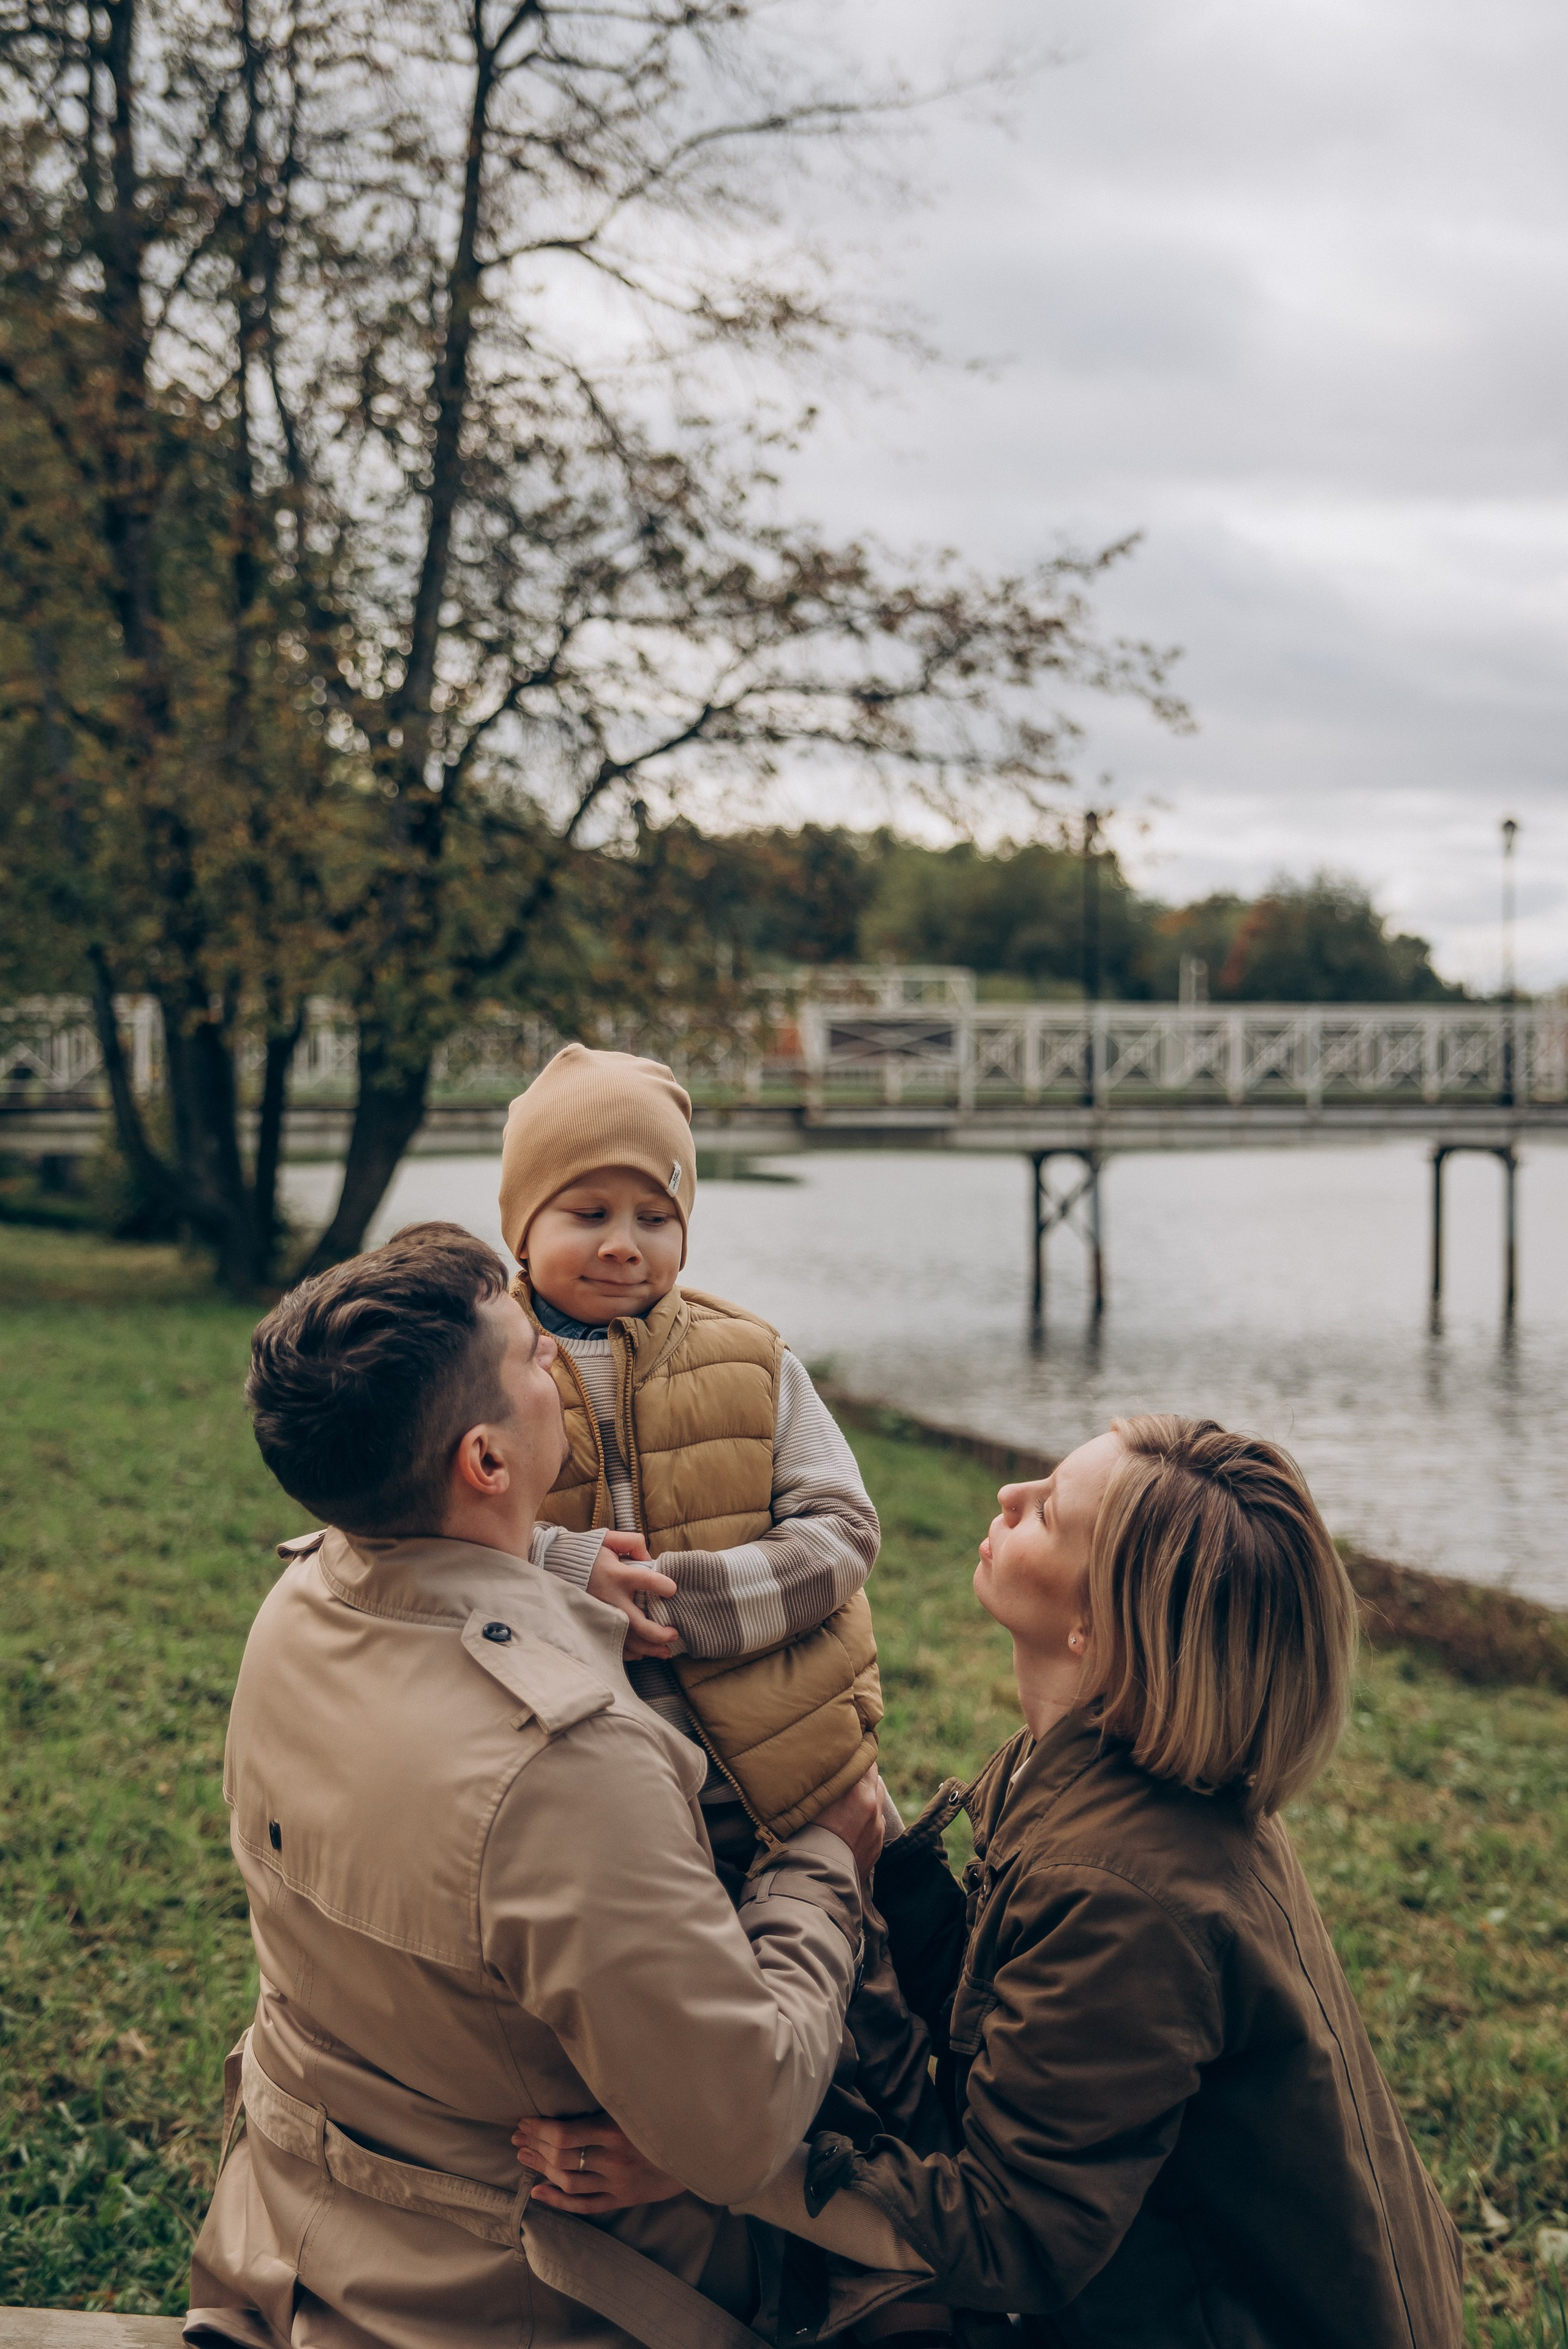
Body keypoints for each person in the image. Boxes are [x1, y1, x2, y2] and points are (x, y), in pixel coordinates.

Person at [519, 1415, 1465, 2348]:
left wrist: (716, 2164)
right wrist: (883, 1851)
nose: (1009, 1497)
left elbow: (1011, 2233)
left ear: (1097, 1626)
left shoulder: (1124, 1890)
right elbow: (1023, 2011)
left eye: (1049, 1511)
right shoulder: (1111, 1769)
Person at [185, 1221, 903, 2349]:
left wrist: (558, 1567)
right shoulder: (564, 1762)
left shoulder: (303, 1603)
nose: (561, 1362)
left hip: (307, 2242)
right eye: (531, 1352)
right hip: (532, 2303)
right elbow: (737, 2126)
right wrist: (823, 1864)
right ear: (485, 1460)